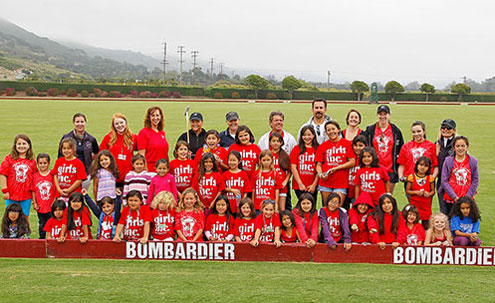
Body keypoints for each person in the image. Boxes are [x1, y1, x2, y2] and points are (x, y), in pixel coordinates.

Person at [363, 105, 404, 194]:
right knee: (374, 195)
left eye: (385, 114)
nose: (382, 117)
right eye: (380, 114)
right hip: (374, 169)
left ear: (389, 115)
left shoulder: (395, 131)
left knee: (387, 197)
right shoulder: (370, 130)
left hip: (390, 170)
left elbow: (401, 149)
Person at [315, 121, 356, 204]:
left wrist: (337, 168)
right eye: (328, 130)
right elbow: (318, 165)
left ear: (338, 130)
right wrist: (320, 174)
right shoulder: (322, 146)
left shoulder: (347, 144)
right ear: (326, 132)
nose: (331, 132)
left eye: (333, 129)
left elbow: (352, 162)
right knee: (327, 208)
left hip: (341, 183)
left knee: (337, 208)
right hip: (325, 183)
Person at [439, 136, 478, 216]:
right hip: (451, 198)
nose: (460, 148)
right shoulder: (448, 161)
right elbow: (444, 181)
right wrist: (454, 196)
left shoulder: (473, 161)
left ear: (467, 147)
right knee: (450, 220)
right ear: (453, 148)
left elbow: (475, 180)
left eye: (463, 146)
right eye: (457, 146)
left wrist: (467, 197)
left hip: (467, 197)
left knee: (466, 220)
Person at [0, 134, 37, 219]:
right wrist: (5, 190)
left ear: (29, 146)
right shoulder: (9, 159)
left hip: (26, 195)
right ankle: (10, 232)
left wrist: (34, 197)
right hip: (12, 194)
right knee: (11, 216)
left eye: (24, 144)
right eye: (19, 144)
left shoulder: (32, 161)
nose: (21, 146)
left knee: (24, 216)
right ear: (15, 146)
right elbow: (3, 174)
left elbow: (34, 178)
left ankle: (24, 232)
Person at [58, 113, 99, 189]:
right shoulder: (66, 137)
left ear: (85, 123)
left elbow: (97, 152)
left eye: (82, 122)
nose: (80, 124)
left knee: (83, 196)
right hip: (69, 173)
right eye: (77, 122)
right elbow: (60, 155)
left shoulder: (91, 139)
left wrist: (89, 160)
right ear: (74, 123)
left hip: (85, 173)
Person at [99, 113, 137, 189]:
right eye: (116, 124)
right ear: (113, 126)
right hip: (112, 177)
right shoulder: (108, 138)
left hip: (128, 176)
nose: (119, 125)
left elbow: (143, 150)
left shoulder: (133, 137)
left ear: (126, 123)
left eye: (121, 122)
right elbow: (101, 155)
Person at [397, 121, 439, 187]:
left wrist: (432, 178)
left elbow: (436, 165)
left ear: (424, 131)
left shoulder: (431, 146)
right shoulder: (406, 147)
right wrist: (401, 176)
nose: (416, 134)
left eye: (419, 131)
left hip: (426, 180)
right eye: (413, 132)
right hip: (410, 180)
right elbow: (401, 164)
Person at [52, 138, 87, 203]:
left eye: (69, 148)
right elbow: (55, 175)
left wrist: (69, 190)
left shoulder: (78, 163)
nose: (66, 150)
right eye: (64, 148)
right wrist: (58, 189)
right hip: (60, 194)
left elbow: (79, 180)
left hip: (74, 195)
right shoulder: (59, 161)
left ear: (74, 149)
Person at [405, 156, 435, 229]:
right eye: (421, 165)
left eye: (425, 166)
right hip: (415, 203)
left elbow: (433, 191)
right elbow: (407, 190)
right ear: (417, 165)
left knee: (426, 224)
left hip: (426, 204)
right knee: (414, 222)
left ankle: (426, 237)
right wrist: (416, 192)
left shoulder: (430, 178)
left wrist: (428, 194)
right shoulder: (411, 177)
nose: (423, 167)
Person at [290, 125, 319, 201]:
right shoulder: (296, 149)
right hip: (299, 185)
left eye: (309, 135)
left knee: (311, 205)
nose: (307, 137)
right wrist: (300, 184)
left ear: (313, 135)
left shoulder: (318, 149)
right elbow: (293, 167)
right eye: (304, 135)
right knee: (302, 204)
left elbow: (319, 169)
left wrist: (314, 185)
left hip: (312, 184)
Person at [137, 106, 169, 172]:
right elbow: (141, 155)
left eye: (157, 115)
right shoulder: (143, 133)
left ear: (160, 117)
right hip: (151, 170)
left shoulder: (162, 133)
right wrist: (145, 170)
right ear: (149, 117)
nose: (155, 118)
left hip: (163, 170)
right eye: (153, 116)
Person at [32, 153, 56, 239]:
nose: (42, 165)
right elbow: (34, 191)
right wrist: (34, 203)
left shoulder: (52, 175)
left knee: (51, 222)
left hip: (50, 205)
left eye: (45, 163)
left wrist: (54, 201)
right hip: (41, 206)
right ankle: (41, 238)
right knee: (42, 223)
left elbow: (55, 190)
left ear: (49, 163)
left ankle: (51, 237)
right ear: (37, 164)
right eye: (40, 163)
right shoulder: (35, 176)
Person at [435, 119, 456, 215]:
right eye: (443, 127)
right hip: (441, 183)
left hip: (454, 183)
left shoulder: (457, 144)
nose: (445, 130)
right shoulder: (437, 144)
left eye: (449, 128)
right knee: (443, 211)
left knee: (454, 211)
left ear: (454, 130)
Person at [269, 133, 292, 211]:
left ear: (281, 143)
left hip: (282, 186)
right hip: (270, 185)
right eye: (273, 141)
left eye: (278, 141)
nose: (275, 143)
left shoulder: (285, 156)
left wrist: (285, 182)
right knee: (270, 208)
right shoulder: (267, 154)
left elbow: (290, 171)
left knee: (281, 209)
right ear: (270, 142)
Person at [346, 135, 368, 210]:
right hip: (347, 188)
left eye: (361, 146)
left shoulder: (366, 160)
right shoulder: (349, 157)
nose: (357, 148)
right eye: (355, 145)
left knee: (357, 211)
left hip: (358, 191)